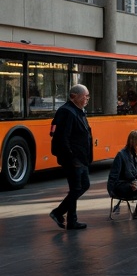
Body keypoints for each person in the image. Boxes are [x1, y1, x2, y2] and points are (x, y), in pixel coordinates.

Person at [50, 84, 93, 230]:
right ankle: (67, 218)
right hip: (73, 159)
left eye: (88, 96)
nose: (87, 98)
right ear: (74, 96)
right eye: (85, 96)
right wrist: (72, 159)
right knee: (76, 187)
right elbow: (62, 138)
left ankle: (63, 214)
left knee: (83, 185)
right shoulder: (66, 112)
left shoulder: (78, 111)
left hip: (81, 158)